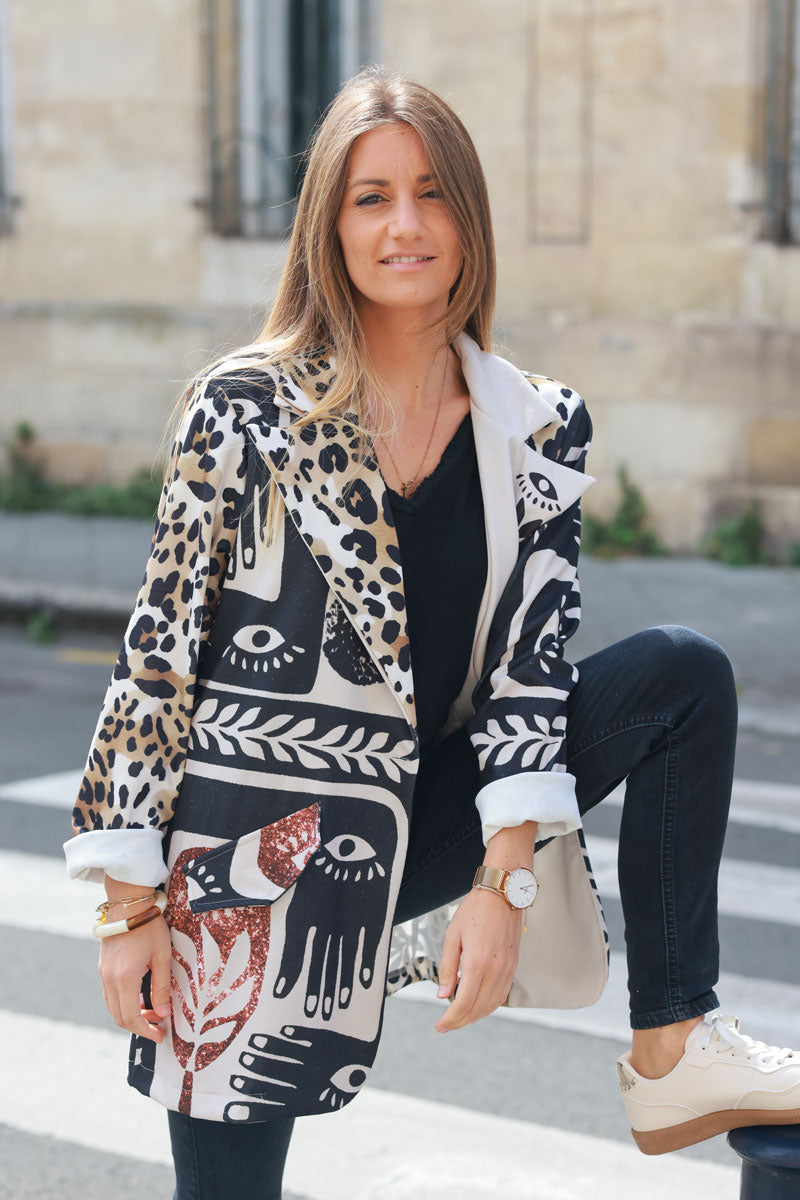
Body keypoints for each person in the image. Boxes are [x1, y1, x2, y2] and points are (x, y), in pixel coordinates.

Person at [64, 65, 800, 1198]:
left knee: (680, 678)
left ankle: (671, 1046)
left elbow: (529, 675)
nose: (404, 225)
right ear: (329, 224)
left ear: (467, 217)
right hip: (243, 855)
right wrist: (128, 905)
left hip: (423, 815)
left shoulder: (532, 428)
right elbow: (155, 663)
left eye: (430, 193)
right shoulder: (245, 408)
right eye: (370, 197)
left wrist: (504, 883)